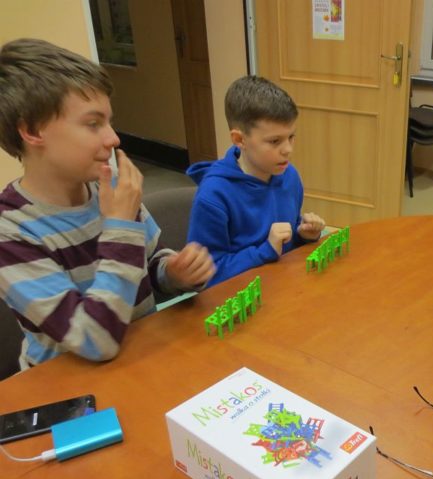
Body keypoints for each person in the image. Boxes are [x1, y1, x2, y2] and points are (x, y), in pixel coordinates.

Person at [0, 38, 215, 369]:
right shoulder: (11, 231)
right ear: (32, 130)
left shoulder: (109, 189)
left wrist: (174, 273)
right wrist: (121, 227)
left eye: (108, 122)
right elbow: (94, 339)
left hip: (140, 355)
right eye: (92, 123)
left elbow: (146, 268)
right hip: (70, 386)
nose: (113, 138)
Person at [187, 76, 325, 286]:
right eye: (275, 141)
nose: (288, 149)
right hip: (241, 302)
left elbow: (286, 241)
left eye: (291, 137)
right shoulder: (213, 196)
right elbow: (203, 278)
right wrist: (265, 251)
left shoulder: (289, 175)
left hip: (284, 287)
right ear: (239, 140)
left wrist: (304, 235)